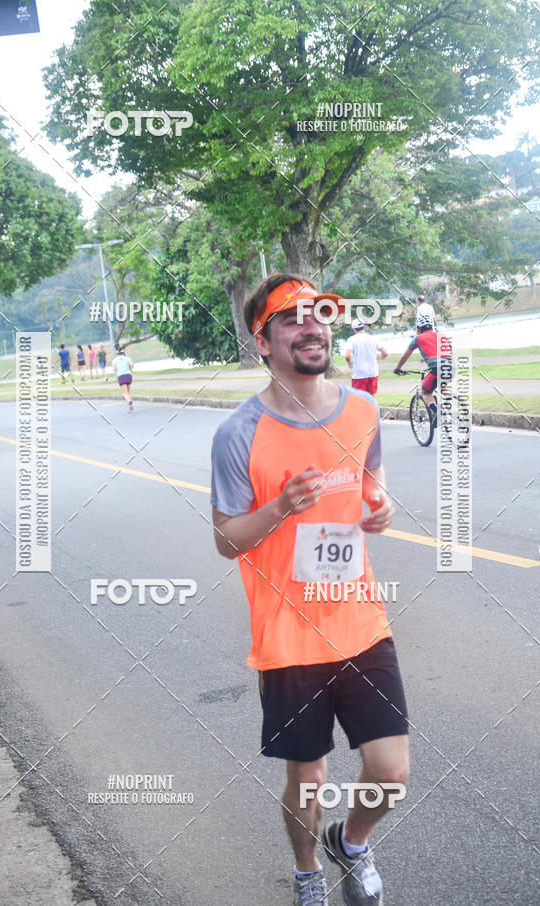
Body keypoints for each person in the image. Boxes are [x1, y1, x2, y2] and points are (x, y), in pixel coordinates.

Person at [211, 274, 409, 906]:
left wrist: (380, 504)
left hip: (361, 622)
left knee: (391, 772)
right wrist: (280, 508)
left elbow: (372, 476)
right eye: (291, 318)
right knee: (310, 775)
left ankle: (349, 841)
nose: (311, 326)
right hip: (288, 636)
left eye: (319, 313)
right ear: (262, 340)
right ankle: (307, 873)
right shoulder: (239, 433)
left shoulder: (362, 410)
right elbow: (226, 539)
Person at [394, 310, 452, 421]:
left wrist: (397, 369)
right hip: (451, 366)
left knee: (425, 392)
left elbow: (404, 356)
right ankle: (451, 407)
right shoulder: (441, 335)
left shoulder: (418, 338)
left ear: (418, 329)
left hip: (436, 367)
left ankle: (438, 413)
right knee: (442, 385)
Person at [344, 321, 388, 396]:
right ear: (364, 327)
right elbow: (385, 353)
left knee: (358, 398)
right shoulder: (372, 338)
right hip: (373, 373)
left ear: (354, 329)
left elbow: (347, 356)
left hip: (359, 374)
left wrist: (349, 362)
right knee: (371, 397)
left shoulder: (351, 340)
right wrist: (378, 358)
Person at [112, 347, 134, 411]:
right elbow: (132, 365)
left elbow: (114, 369)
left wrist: (118, 368)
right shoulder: (127, 358)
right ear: (123, 352)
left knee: (124, 393)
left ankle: (129, 401)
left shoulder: (115, 360)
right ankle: (130, 406)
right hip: (128, 375)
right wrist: (130, 369)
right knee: (128, 392)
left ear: (117, 353)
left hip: (121, 376)